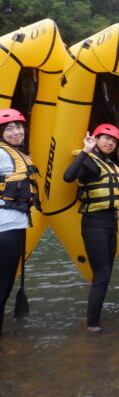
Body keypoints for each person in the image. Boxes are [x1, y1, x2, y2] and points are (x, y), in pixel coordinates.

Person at [63, 124, 119, 333]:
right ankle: (93, 326)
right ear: (95, 139)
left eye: (113, 140)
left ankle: (91, 317)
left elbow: (117, 185)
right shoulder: (89, 162)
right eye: (105, 138)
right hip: (94, 225)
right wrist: (85, 150)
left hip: (111, 224)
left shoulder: (112, 164)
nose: (109, 142)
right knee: (102, 274)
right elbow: (68, 176)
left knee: (105, 275)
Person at [0, 109, 40, 335]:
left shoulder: (21, 156)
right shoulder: (2, 153)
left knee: (4, 289)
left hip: (16, 227)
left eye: (19, 127)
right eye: (9, 129)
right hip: (3, 229)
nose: (16, 132)